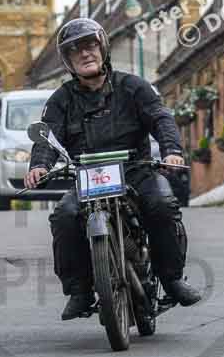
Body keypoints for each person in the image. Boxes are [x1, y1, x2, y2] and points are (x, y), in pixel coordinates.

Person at [24, 18, 201, 320]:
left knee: (162, 205)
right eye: (75, 50)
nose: (85, 54)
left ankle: (172, 280)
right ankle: (79, 290)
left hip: (136, 170)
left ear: (102, 47)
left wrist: (171, 151)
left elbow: (161, 118)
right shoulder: (60, 101)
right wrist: (39, 165)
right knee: (64, 217)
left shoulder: (133, 87)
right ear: (67, 60)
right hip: (88, 177)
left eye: (90, 45)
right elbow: (48, 136)